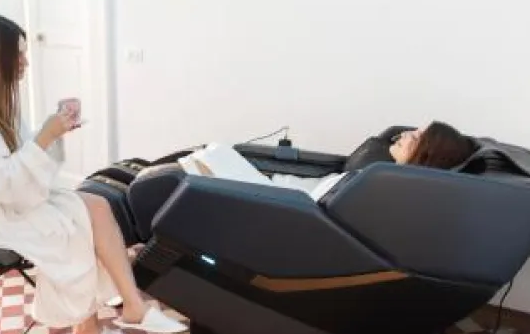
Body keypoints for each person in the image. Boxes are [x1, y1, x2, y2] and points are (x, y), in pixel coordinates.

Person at [0, 13, 187, 334]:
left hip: (20, 200)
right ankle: (86, 329)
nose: (25, 62)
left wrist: (56, 129)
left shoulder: (1, 102)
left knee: (97, 206)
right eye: (18, 54)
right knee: (72, 228)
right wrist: (46, 136)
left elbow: (28, 158)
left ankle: (132, 304)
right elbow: (0, 182)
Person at [180, 121, 477, 200]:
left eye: (417, 137)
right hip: (283, 193)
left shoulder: (387, 190)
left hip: (280, 204)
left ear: (426, 154)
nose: (405, 134)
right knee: (204, 155)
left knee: (182, 176)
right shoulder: (383, 177)